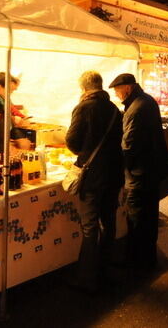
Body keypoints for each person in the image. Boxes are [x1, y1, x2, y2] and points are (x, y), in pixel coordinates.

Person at [65, 71, 124, 292]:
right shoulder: (114, 109)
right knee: (108, 223)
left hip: (93, 176)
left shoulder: (84, 107)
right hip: (113, 172)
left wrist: (84, 152)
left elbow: (72, 140)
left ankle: (87, 278)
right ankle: (105, 271)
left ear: (84, 88)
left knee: (90, 227)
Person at [109, 73, 168, 271]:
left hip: (140, 172)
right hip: (152, 168)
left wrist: (119, 167)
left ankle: (136, 261)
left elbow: (129, 145)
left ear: (128, 88)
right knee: (149, 215)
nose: (117, 95)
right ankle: (147, 257)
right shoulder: (146, 101)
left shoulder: (136, 108)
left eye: (118, 91)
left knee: (137, 216)